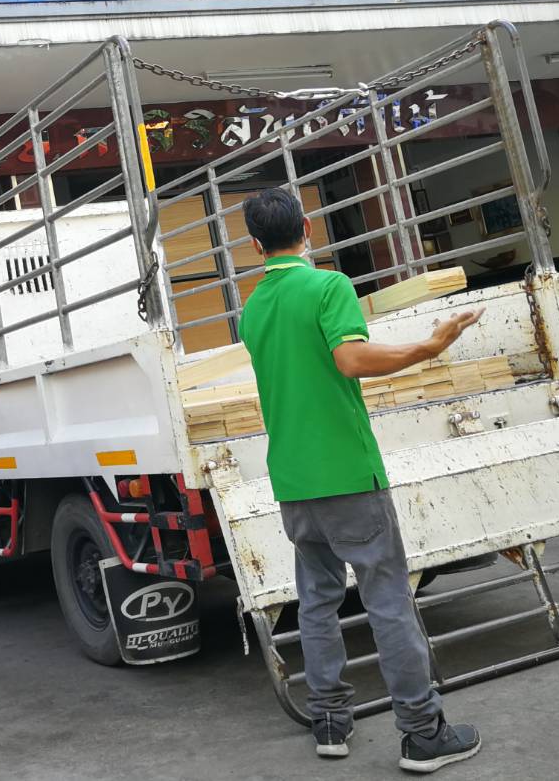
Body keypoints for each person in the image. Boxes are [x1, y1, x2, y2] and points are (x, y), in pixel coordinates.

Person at [237, 189, 486, 774]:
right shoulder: (328, 287)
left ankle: (329, 720)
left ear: (254, 245)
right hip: (348, 473)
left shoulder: (252, 309)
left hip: (293, 480)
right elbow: (350, 359)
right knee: (388, 600)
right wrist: (429, 346)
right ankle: (422, 733)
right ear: (308, 228)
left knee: (317, 601)